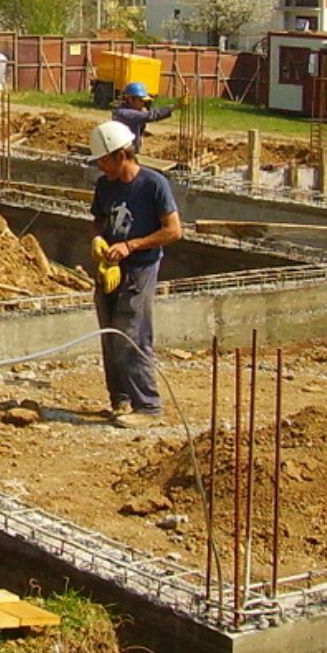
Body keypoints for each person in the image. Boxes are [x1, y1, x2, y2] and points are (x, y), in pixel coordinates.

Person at [89, 120, 182, 427]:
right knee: (110, 334)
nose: (101, 166)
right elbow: (99, 220)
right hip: (110, 268)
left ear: (121, 155)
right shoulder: (105, 185)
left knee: (131, 335)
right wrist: (99, 240)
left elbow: (173, 231)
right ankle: (121, 400)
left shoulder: (153, 185)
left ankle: (148, 406)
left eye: (104, 160)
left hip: (140, 269)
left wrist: (131, 246)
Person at [110, 81, 176, 153]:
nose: (143, 103)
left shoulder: (125, 111)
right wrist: (174, 107)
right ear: (130, 99)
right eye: (141, 100)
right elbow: (150, 116)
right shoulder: (124, 113)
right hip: (124, 153)